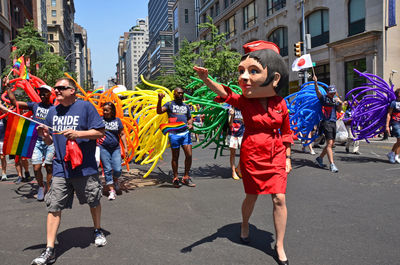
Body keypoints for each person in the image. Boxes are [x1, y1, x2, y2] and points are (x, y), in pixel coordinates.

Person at [194, 40, 292, 265]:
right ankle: (245, 224)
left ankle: (279, 244)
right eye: (242, 71)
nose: (244, 77)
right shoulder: (244, 102)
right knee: (252, 195)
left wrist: (287, 158)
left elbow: (287, 132)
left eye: (253, 71)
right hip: (252, 154)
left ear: (274, 77)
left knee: (279, 198)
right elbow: (225, 93)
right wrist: (206, 79)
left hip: (275, 154)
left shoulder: (281, 104)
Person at [31, 77, 106, 265]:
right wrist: (45, 135)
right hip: (60, 168)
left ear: (71, 90)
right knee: (53, 206)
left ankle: (97, 229)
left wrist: (78, 133)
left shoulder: (86, 107)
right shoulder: (52, 112)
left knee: (93, 199)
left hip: (85, 167)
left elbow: (100, 132)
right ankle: (49, 249)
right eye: (55, 88)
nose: (55, 91)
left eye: (60, 88)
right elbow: (49, 141)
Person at [5, 78, 55, 200]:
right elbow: (14, 102)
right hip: (36, 141)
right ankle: (40, 186)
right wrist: (7, 87)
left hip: (50, 141)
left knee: (49, 167)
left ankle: (48, 188)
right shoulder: (34, 105)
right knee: (36, 167)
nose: (42, 95)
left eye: (45, 93)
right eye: (40, 93)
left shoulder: (55, 109)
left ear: (50, 94)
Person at [157, 88, 195, 188]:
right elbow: (159, 111)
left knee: (189, 155)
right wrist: (160, 99)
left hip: (185, 133)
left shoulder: (186, 106)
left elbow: (189, 117)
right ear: (174, 94)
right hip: (174, 134)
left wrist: (190, 124)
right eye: (179, 93)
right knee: (175, 157)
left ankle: (186, 177)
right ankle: (175, 177)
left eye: (182, 93)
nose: (181, 94)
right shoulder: (169, 104)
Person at [98, 102, 128, 200]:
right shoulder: (100, 120)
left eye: (107, 110)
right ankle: (111, 190)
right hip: (103, 148)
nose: (105, 112)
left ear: (112, 111)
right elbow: (94, 131)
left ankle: (115, 180)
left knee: (118, 169)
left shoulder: (117, 120)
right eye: (104, 110)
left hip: (115, 148)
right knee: (107, 169)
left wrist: (126, 148)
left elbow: (122, 134)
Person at [313, 74, 343, 173]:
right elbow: (317, 92)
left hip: (333, 122)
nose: (332, 94)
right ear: (327, 92)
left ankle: (320, 158)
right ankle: (332, 164)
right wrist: (316, 82)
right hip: (326, 123)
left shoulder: (335, 100)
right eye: (331, 93)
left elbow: (339, 111)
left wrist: (340, 104)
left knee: (331, 143)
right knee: (329, 143)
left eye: (334, 93)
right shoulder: (324, 98)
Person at [228, 106, 244, 180]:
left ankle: (239, 168)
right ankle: (233, 171)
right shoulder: (231, 109)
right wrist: (231, 115)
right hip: (233, 134)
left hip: (242, 133)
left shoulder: (243, 108)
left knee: (244, 153)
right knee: (233, 153)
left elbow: (245, 122)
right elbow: (230, 124)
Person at [385, 88, 400, 163]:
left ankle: (396, 156)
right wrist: (387, 126)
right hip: (396, 123)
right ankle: (391, 153)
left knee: (399, 141)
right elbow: (389, 114)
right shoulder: (393, 103)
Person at [0, 109, 7, 181]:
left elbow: (7, 113)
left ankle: (4, 173)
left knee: (2, 157)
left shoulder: (3, 118)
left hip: (2, 140)